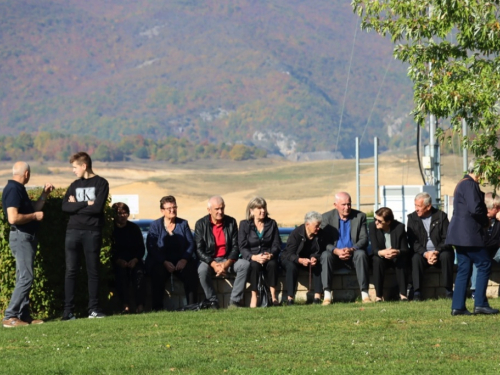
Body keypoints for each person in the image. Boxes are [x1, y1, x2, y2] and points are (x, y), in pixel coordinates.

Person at [2, 162, 54, 328]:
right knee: (26, 277)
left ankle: (23, 315)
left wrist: (44, 195)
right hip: (21, 236)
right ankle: (10, 316)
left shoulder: (18, 189)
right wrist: (33, 216)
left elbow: (33, 209)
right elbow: (13, 218)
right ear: (26, 174)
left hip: (25, 237)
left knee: (22, 277)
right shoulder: (13, 190)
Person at [446, 160, 499, 315]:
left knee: (464, 268)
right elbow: (475, 208)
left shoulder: (462, 184)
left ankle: (458, 306)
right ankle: (480, 303)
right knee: (484, 263)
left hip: (459, 235)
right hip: (468, 234)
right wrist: (485, 222)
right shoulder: (469, 185)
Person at [62, 152, 109, 320]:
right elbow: (65, 207)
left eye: (75, 167)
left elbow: (97, 209)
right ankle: (68, 311)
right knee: (71, 271)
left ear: (84, 166)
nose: (73, 171)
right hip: (72, 231)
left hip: (92, 231)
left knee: (93, 271)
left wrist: (76, 205)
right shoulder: (74, 184)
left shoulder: (101, 183)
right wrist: (84, 203)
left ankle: (94, 309)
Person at [195, 195, 249, 309]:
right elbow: (199, 250)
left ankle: (234, 302)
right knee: (202, 269)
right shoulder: (200, 224)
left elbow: (235, 246)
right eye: (217, 209)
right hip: (210, 260)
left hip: (227, 259)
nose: (220, 211)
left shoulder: (231, 222)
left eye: (222, 208)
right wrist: (214, 264)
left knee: (245, 265)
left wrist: (226, 264)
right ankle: (212, 301)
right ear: (209, 210)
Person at [146, 196, 198, 311]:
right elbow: (151, 247)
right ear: (162, 210)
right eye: (169, 208)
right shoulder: (155, 225)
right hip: (162, 262)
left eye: (174, 207)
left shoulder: (183, 224)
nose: (172, 210)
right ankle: (157, 308)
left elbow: (190, 243)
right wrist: (164, 262)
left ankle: (192, 306)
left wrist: (184, 259)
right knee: (157, 273)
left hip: (180, 261)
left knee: (190, 272)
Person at [321, 192, 371, 302]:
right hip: (335, 256)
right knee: (325, 255)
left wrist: (352, 249)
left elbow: (364, 239)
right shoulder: (326, 218)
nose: (347, 207)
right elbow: (324, 242)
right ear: (335, 205)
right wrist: (336, 251)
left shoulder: (360, 216)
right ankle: (327, 294)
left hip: (353, 255)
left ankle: (364, 293)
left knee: (361, 254)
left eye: (349, 204)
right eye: (343, 204)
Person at [407, 192, 454, 301]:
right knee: (415, 258)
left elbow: (447, 238)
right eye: (415, 205)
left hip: (440, 252)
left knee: (447, 256)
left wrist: (436, 251)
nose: (416, 209)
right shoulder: (412, 218)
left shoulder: (441, 216)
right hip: (422, 253)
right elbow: (412, 241)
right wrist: (426, 253)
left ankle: (448, 291)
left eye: (419, 206)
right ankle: (417, 292)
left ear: (428, 206)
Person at [238, 197, 281, 307]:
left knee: (273, 264)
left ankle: (273, 296)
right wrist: (253, 257)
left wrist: (270, 255)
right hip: (253, 257)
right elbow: (242, 246)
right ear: (251, 210)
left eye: (264, 208)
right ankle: (254, 296)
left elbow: (276, 244)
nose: (263, 211)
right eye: (259, 208)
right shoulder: (244, 224)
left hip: (268, 257)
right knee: (254, 266)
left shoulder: (272, 224)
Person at [281, 211, 331, 305]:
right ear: (307, 224)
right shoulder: (296, 234)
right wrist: (299, 260)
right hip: (293, 259)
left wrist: (315, 257)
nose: (318, 228)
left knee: (318, 266)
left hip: (308, 261)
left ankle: (317, 297)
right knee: (291, 267)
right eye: (316, 226)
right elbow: (289, 254)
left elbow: (322, 251)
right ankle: (290, 299)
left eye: (319, 225)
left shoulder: (320, 234)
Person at [111, 202, 146, 314]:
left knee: (139, 274)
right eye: (119, 213)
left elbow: (141, 247)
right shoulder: (110, 229)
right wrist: (118, 260)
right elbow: (109, 249)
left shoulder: (134, 228)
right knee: (121, 276)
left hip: (134, 261)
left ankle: (140, 305)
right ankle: (125, 305)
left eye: (125, 213)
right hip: (118, 262)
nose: (122, 216)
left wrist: (135, 260)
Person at [369, 207, 410, 302]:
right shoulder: (372, 227)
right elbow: (374, 249)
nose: (376, 222)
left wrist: (397, 252)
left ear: (388, 222)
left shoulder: (399, 227)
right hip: (381, 257)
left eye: (379, 221)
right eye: (375, 219)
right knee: (376, 260)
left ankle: (403, 295)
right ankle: (379, 296)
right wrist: (382, 252)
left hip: (395, 257)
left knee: (402, 260)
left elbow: (405, 249)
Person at [469, 192, 500, 298]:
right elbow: (482, 241)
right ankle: (475, 291)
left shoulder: (498, 219)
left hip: (495, 251)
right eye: (498, 208)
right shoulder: (478, 220)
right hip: (483, 250)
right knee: (478, 258)